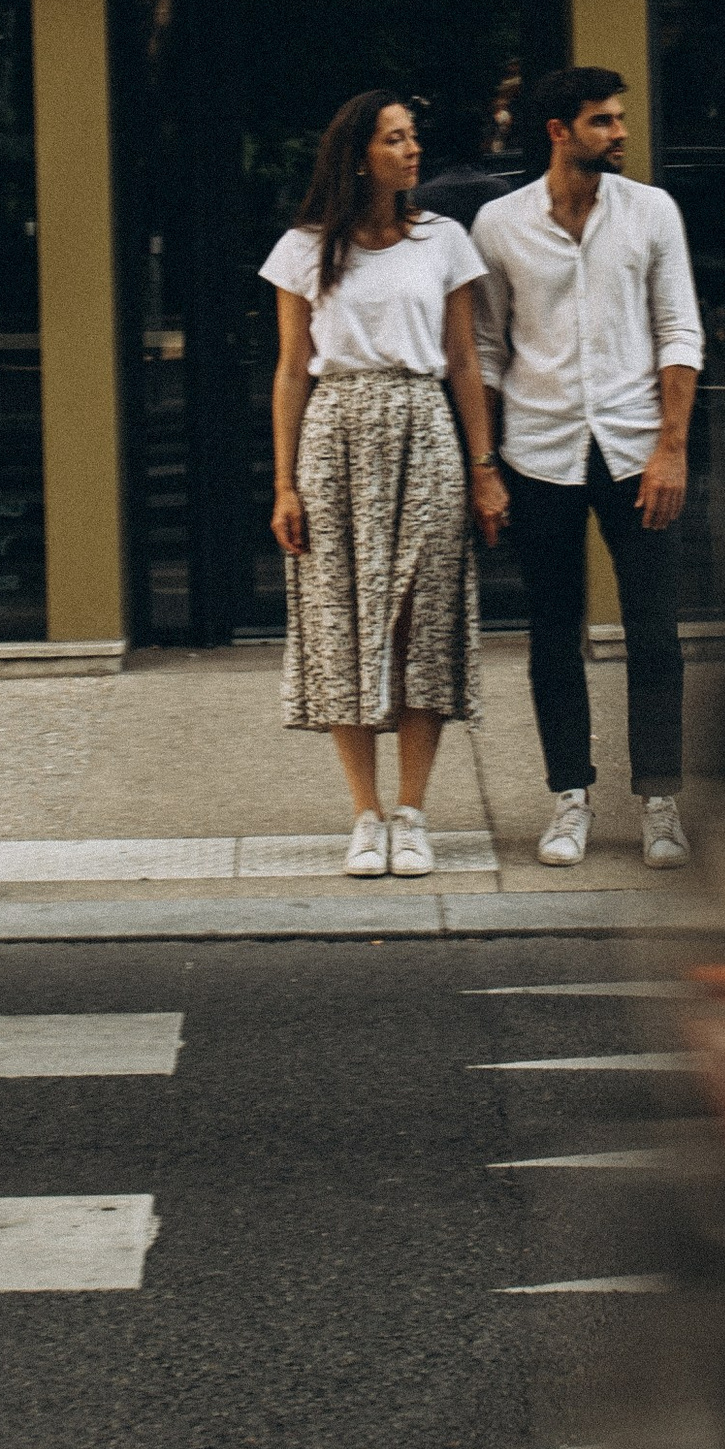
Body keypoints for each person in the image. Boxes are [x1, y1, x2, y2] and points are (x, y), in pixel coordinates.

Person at [266, 88, 510, 880]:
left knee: (421, 621)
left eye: (413, 137)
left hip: (422, 426)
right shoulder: (305, 248)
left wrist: (484, 468)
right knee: (342, 621)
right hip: (334, 435)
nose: (412, 151)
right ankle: (364, 815)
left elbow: (466, 360)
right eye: (396, 139)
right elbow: (290, 369)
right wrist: (283, 484)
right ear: (359, 154)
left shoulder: (443, 239)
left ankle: (413, 813)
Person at [473, 66, 703, 869]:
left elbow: (680, 330)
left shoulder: (651, 213)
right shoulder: (498, 227)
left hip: (638, 451)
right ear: (558, 131)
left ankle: (660, 803)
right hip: (539, 454)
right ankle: (568, 797)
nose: (621, 134)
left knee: (654, 635)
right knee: (551, 634)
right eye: (603, 122)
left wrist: (671, 448)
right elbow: (488, 351)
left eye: (620, 120)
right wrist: (486, 467)